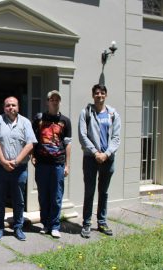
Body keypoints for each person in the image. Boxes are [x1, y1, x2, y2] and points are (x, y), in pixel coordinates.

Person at [0, 96, 36, 241]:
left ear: (18, 107)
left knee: (19, 200)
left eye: (13, 105)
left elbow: (30, 143)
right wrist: (3, 161)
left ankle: (18, 227)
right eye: (8, 105)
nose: (11, 108)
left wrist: (15, 161)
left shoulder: (25, 122)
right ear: (4, 108)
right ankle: (0, 227)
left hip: (19, 168)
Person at [78, 84, 121, 238]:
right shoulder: (86, 113)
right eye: (97, 93)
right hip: (90, 158)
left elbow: (116, 138)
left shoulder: (113, 114)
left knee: (104, 192)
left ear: (106, 95)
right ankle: (87, 224)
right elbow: (82, 136)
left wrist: (106, 154)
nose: (99, 96)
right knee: (89, 191)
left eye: (102, 93)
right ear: (93, 95)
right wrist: (96, 152)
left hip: (108, 159)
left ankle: (102, 222)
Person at [31, 90, 72, 239]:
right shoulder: (39, 118)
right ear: (47, 101)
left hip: (58, 164)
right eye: (52, 99)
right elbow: (33, 138)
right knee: (43, 195)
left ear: (59, 102)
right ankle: (45, 224)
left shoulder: (65, 121)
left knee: (56, 196)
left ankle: (55, 226)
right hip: (42, 164)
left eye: (57, 99)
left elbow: (67, 144)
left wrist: (67, 164)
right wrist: (32, 155)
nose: (54, 101)